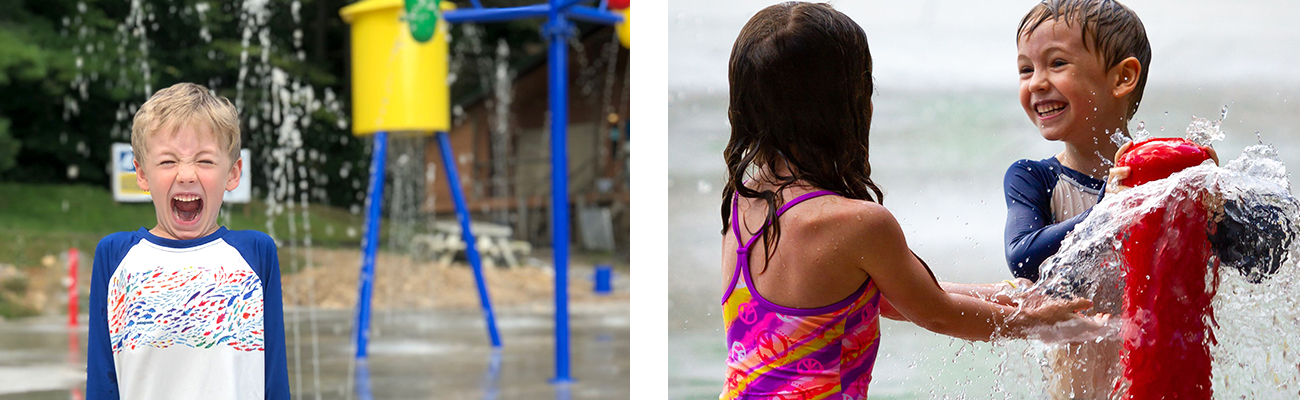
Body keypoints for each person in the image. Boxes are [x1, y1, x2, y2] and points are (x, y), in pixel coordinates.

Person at [719, 3, 1099, 399]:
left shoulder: (745, 205)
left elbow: (894, 296)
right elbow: (935, 311)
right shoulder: (858, 223)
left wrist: (1017, 295)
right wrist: (1038, 323)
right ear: (847, 104)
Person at [86, 83, 290, 399]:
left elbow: (274, 377)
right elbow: (102, 379)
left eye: (205, 161)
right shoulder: (115, 258)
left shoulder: (255, 255)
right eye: (168, 161)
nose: (186, 175)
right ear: (141, 174)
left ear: (233, 174)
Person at [1001, 1, 1151, 397]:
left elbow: (1256, 259)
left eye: (1057, 64)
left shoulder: (1163, 179)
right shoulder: (1034, 178)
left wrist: (1217, 202)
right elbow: (1023, 258)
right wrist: (1109, 210)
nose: (1036, 82)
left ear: (1122, 77)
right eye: (1026, 69)